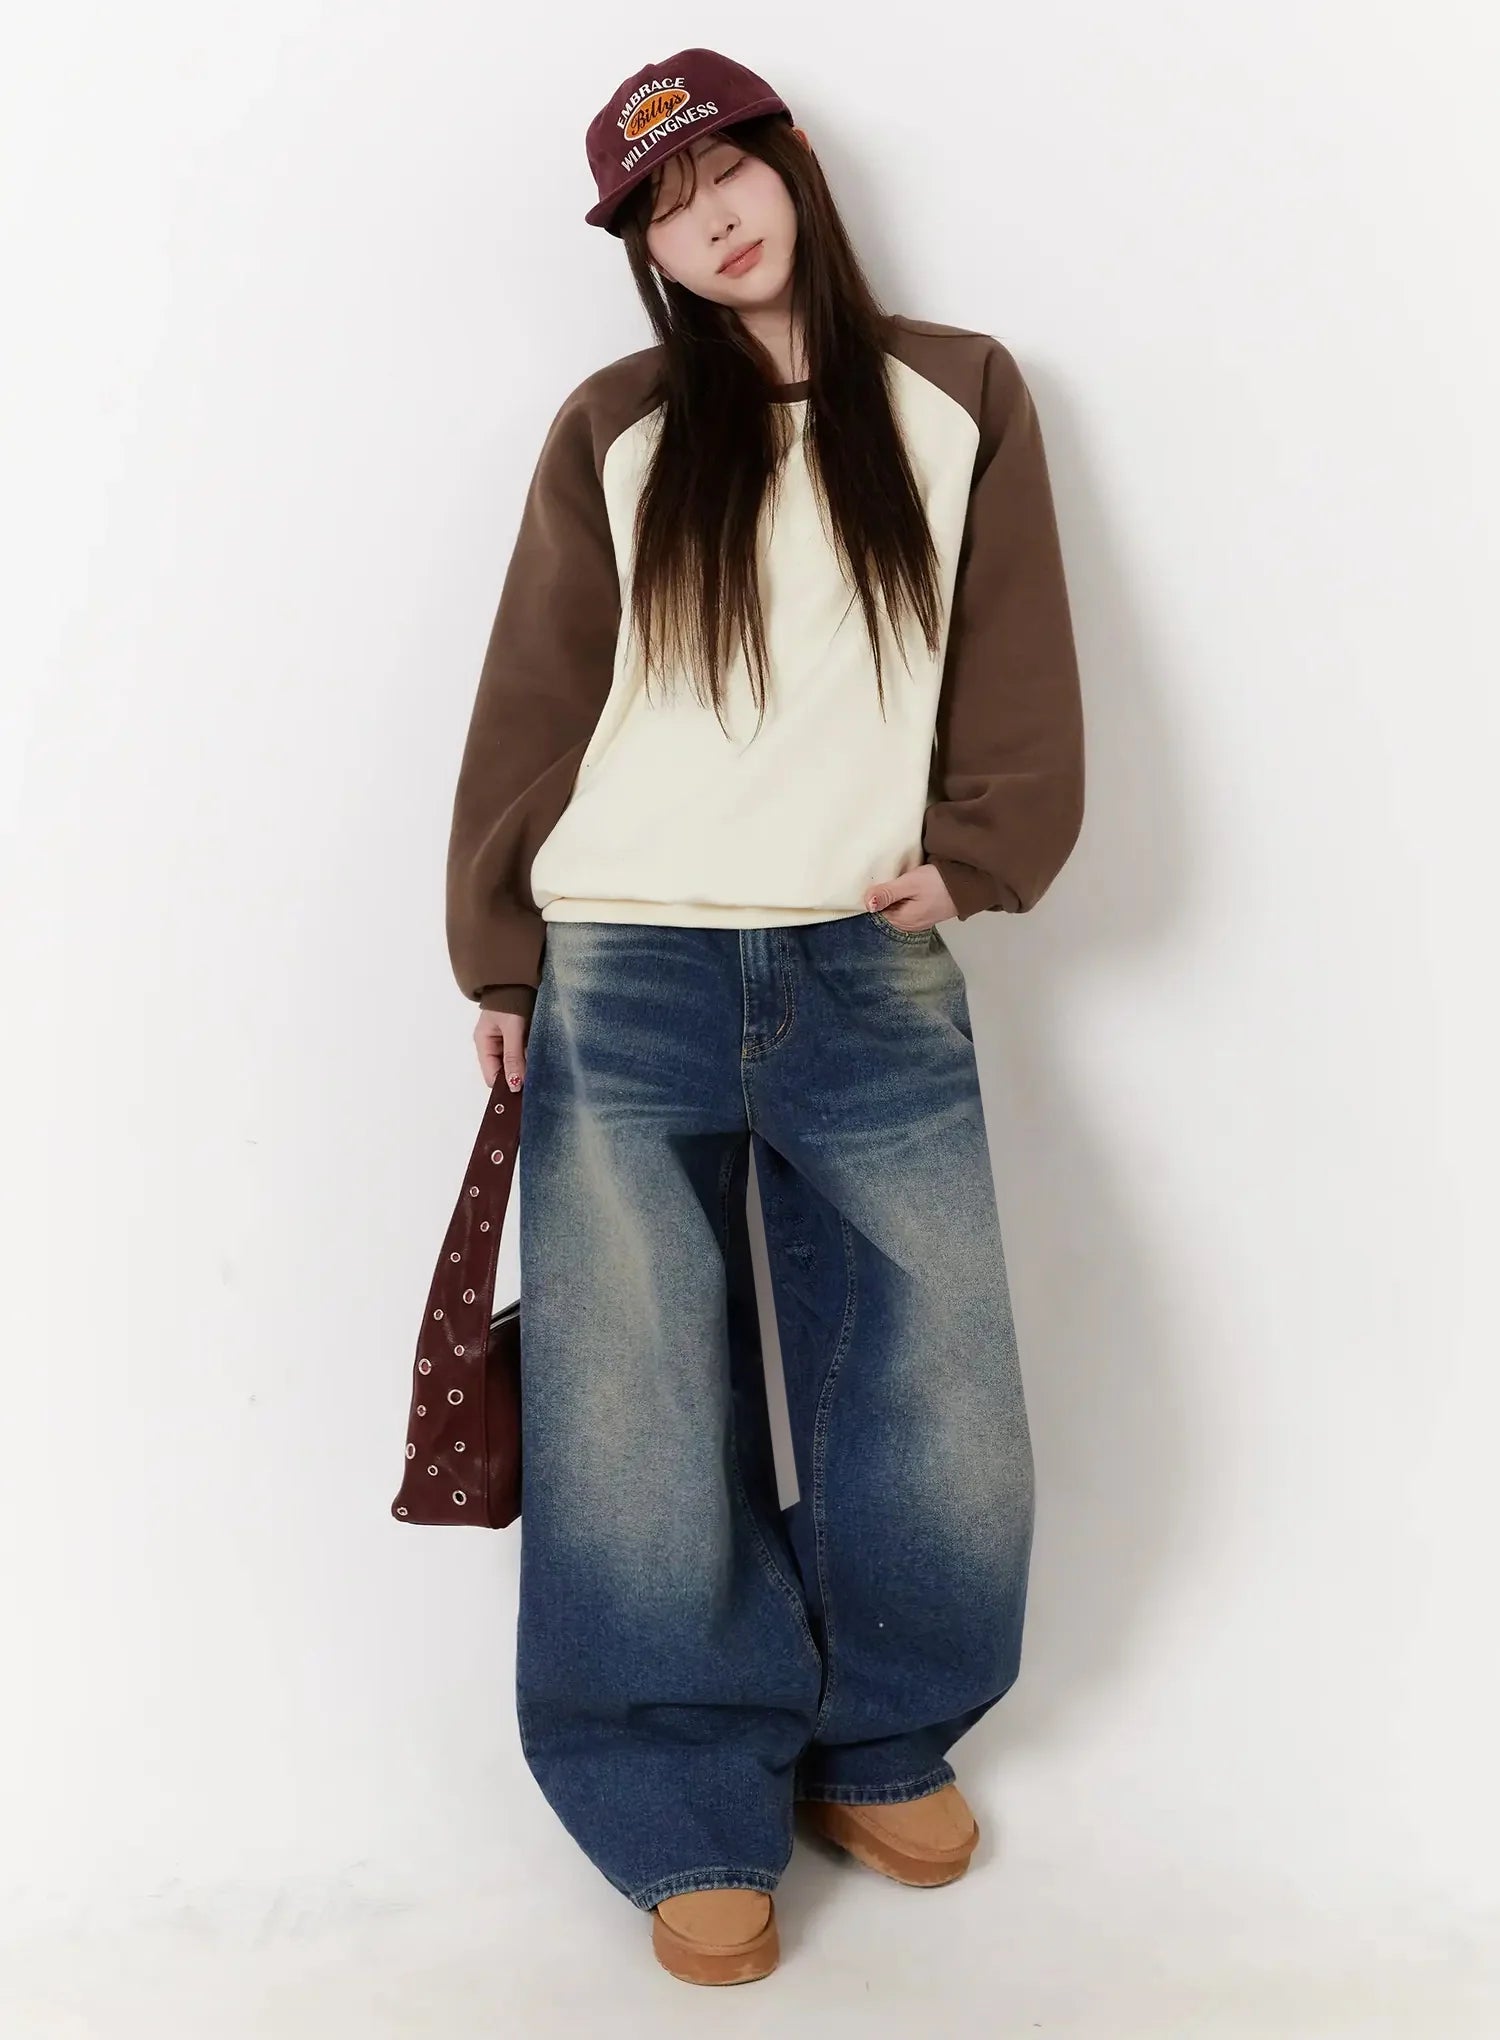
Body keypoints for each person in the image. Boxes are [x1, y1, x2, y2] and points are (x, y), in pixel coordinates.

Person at [443, 46, 1085, 1986]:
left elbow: (1014, 642)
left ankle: (879, 1731)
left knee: (939, 1387)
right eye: (662, 210)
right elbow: (542, 689)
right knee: (634, 1404)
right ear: (641, 252)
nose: (709, 220)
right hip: (624, 959)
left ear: (788, 166)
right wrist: (500, 955)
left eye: (725, 173)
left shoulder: (959, 393)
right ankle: (677, 1791)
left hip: (864, 954)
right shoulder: (619, 424)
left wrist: (979, 851)